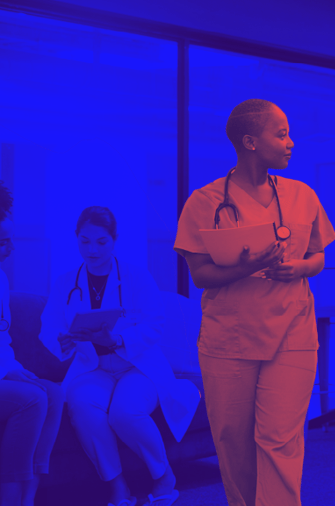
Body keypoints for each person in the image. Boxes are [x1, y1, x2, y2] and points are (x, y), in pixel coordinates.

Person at [174, 98, 335, 506]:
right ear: (250, 142)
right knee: (234, 441)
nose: (290, 142)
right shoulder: (204, 202)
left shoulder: (302, 195)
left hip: (292, 332)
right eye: (281, 135)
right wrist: (246, 268)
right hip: (230, 338)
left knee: (280, 439)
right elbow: (200, 275)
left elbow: (318, 256)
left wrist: (300, 268)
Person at [39, 206, 199, 506]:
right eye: (85, 241)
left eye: (101, 242)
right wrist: (61, 340)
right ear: (76, 238)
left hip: (136, 365)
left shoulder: (137, 277)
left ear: (114, 240)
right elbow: (49, 327)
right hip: (92, 367)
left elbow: (155, 325)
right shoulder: (65, 283)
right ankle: (117, 485)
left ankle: (163, 475)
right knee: (82, 407)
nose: (92, 250)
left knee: (125, 412)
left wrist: (118, 339)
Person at [0, 183, 64, 506]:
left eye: (11, 239)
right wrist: (5, 372)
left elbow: (3, 338)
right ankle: (9, 496)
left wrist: (11, 368)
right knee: (32, 399)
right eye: (3, 242)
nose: (11, 248)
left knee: (53, 393)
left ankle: (29, 496)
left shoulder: (1, 279)